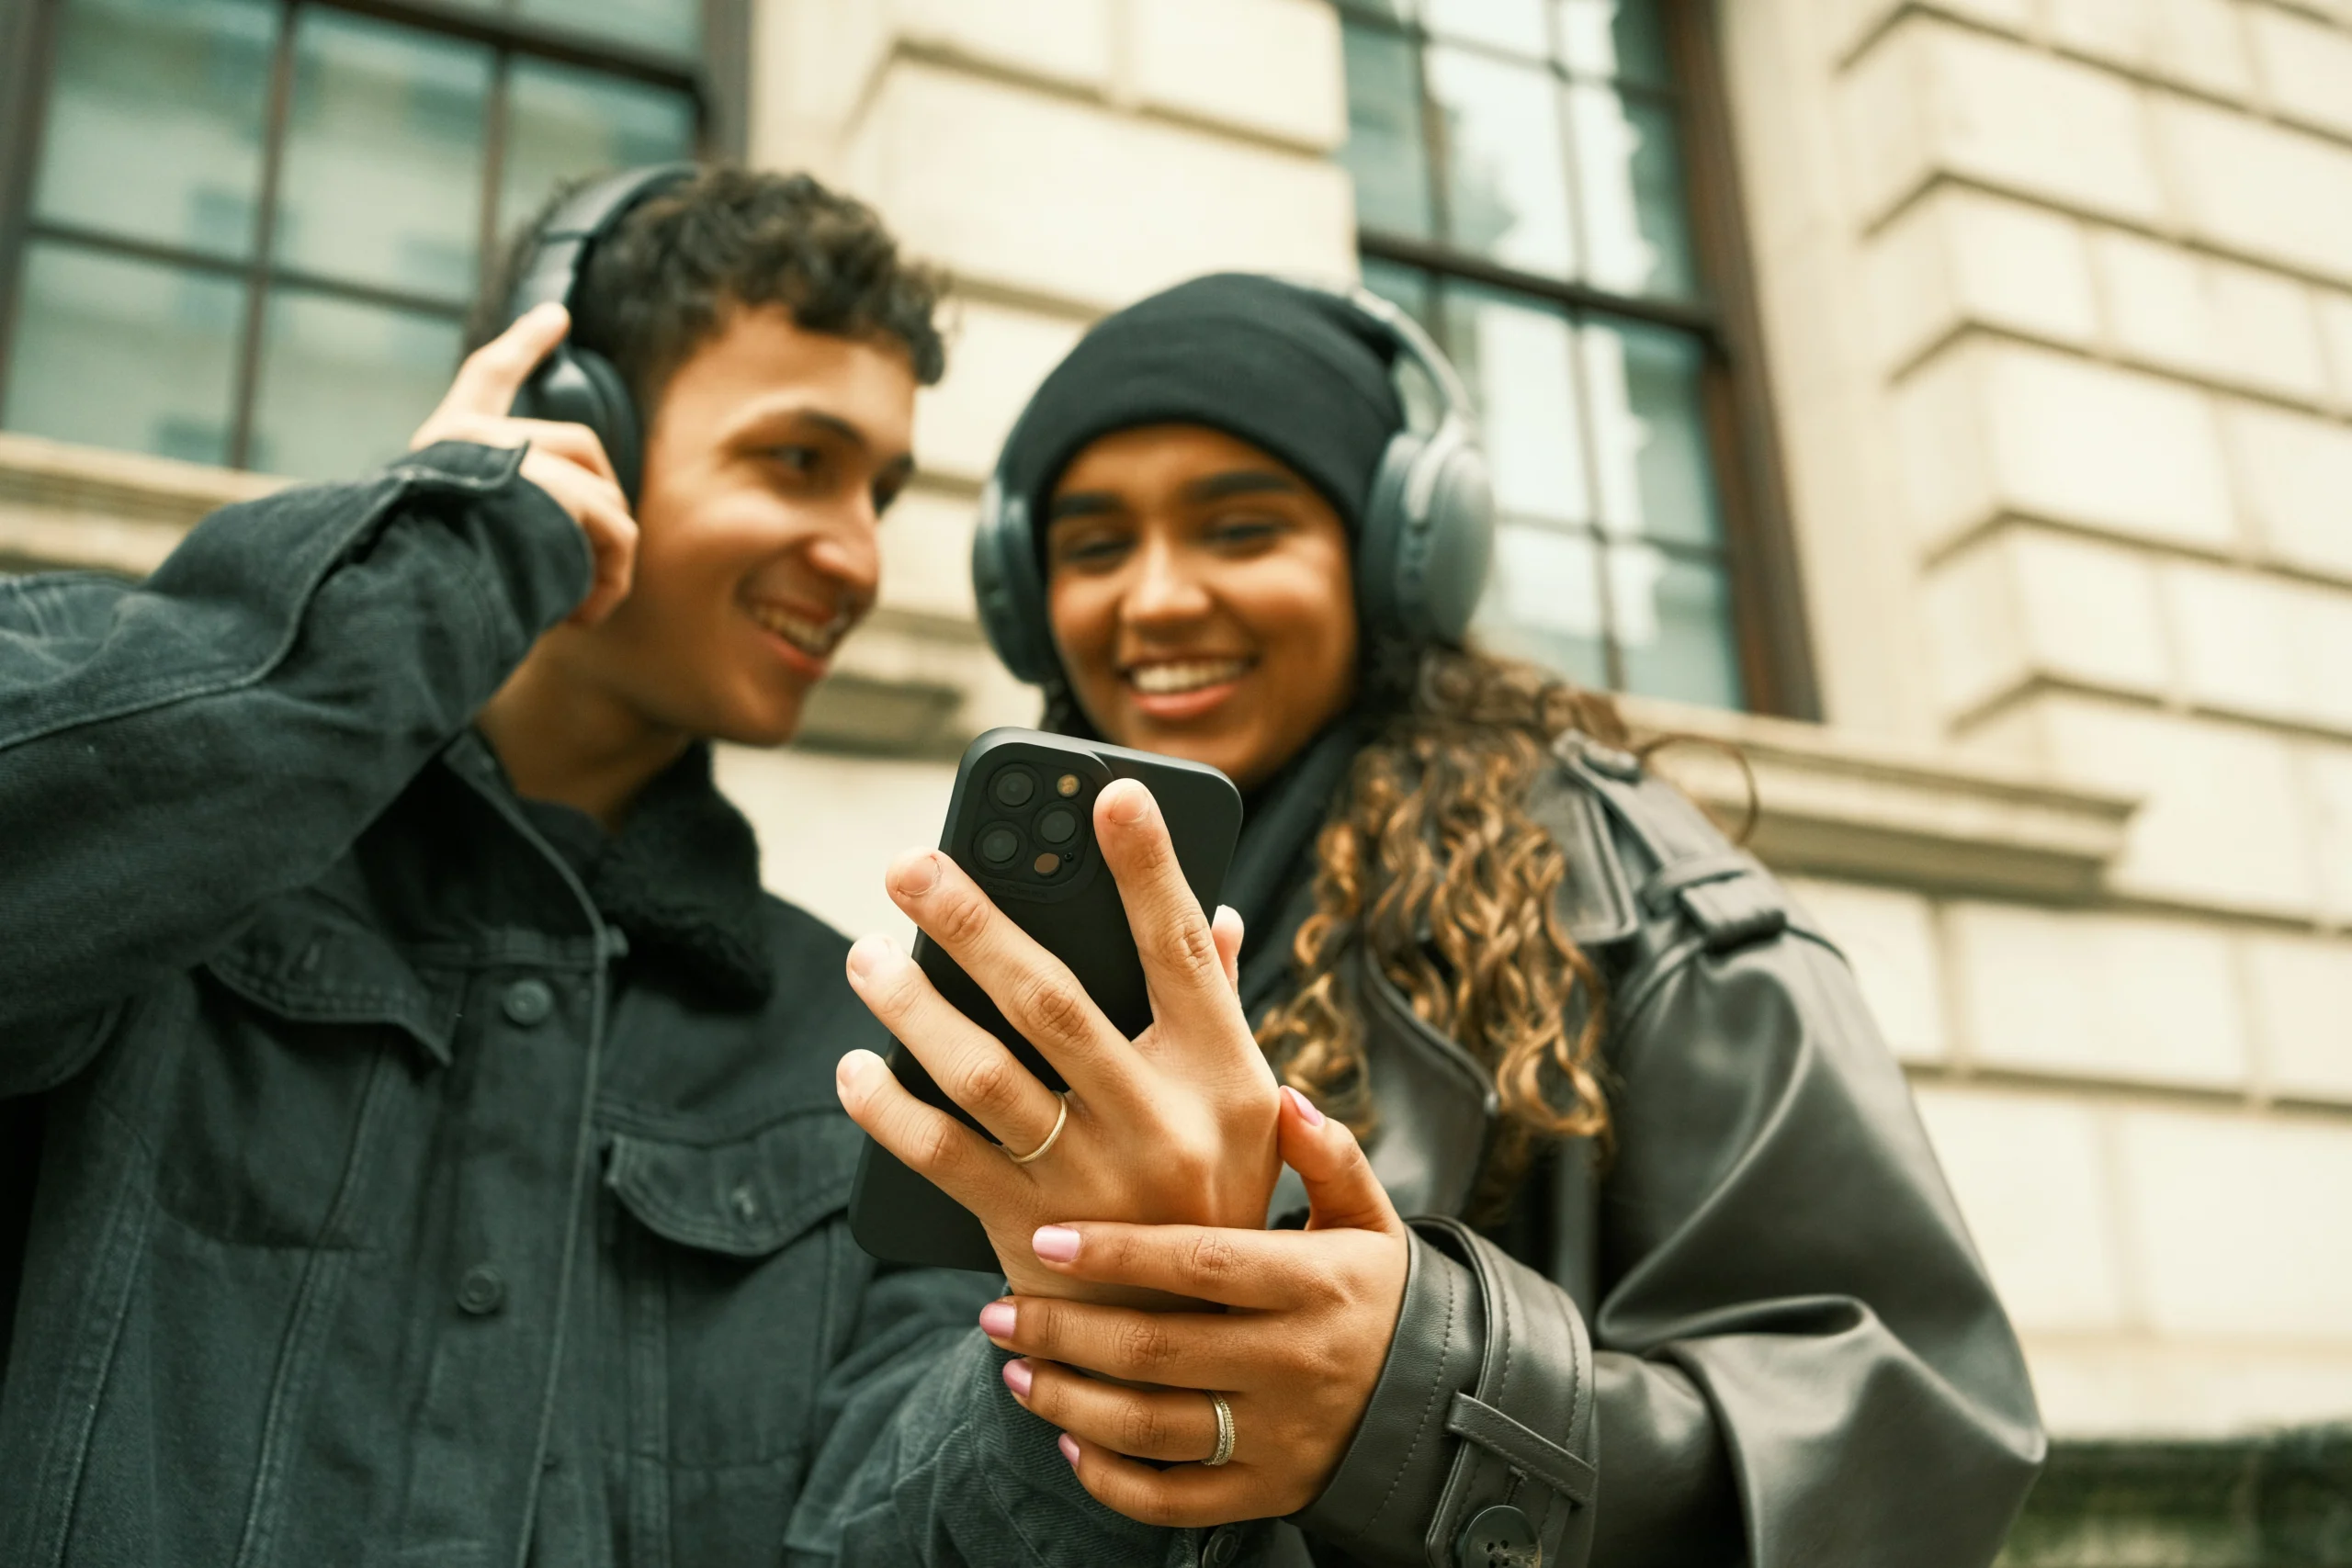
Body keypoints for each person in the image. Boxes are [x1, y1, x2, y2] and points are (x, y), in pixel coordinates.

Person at [0, 165, 1256, 1566]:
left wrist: (1102, 1338)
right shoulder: (166, 856)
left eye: (881, 492)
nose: (854, 554)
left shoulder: (857, 1048)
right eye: (797, 460)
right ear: (571, 425)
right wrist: (450, 546)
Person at [840, 273, 2047, 1566]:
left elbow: (1915, 1437)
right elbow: (859, 1479)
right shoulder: (1023, 958)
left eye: (1240, 529)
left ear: (1396, 559)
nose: (1156, 599)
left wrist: (1416, 1404)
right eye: (1093, 546)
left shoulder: (1625, 898)